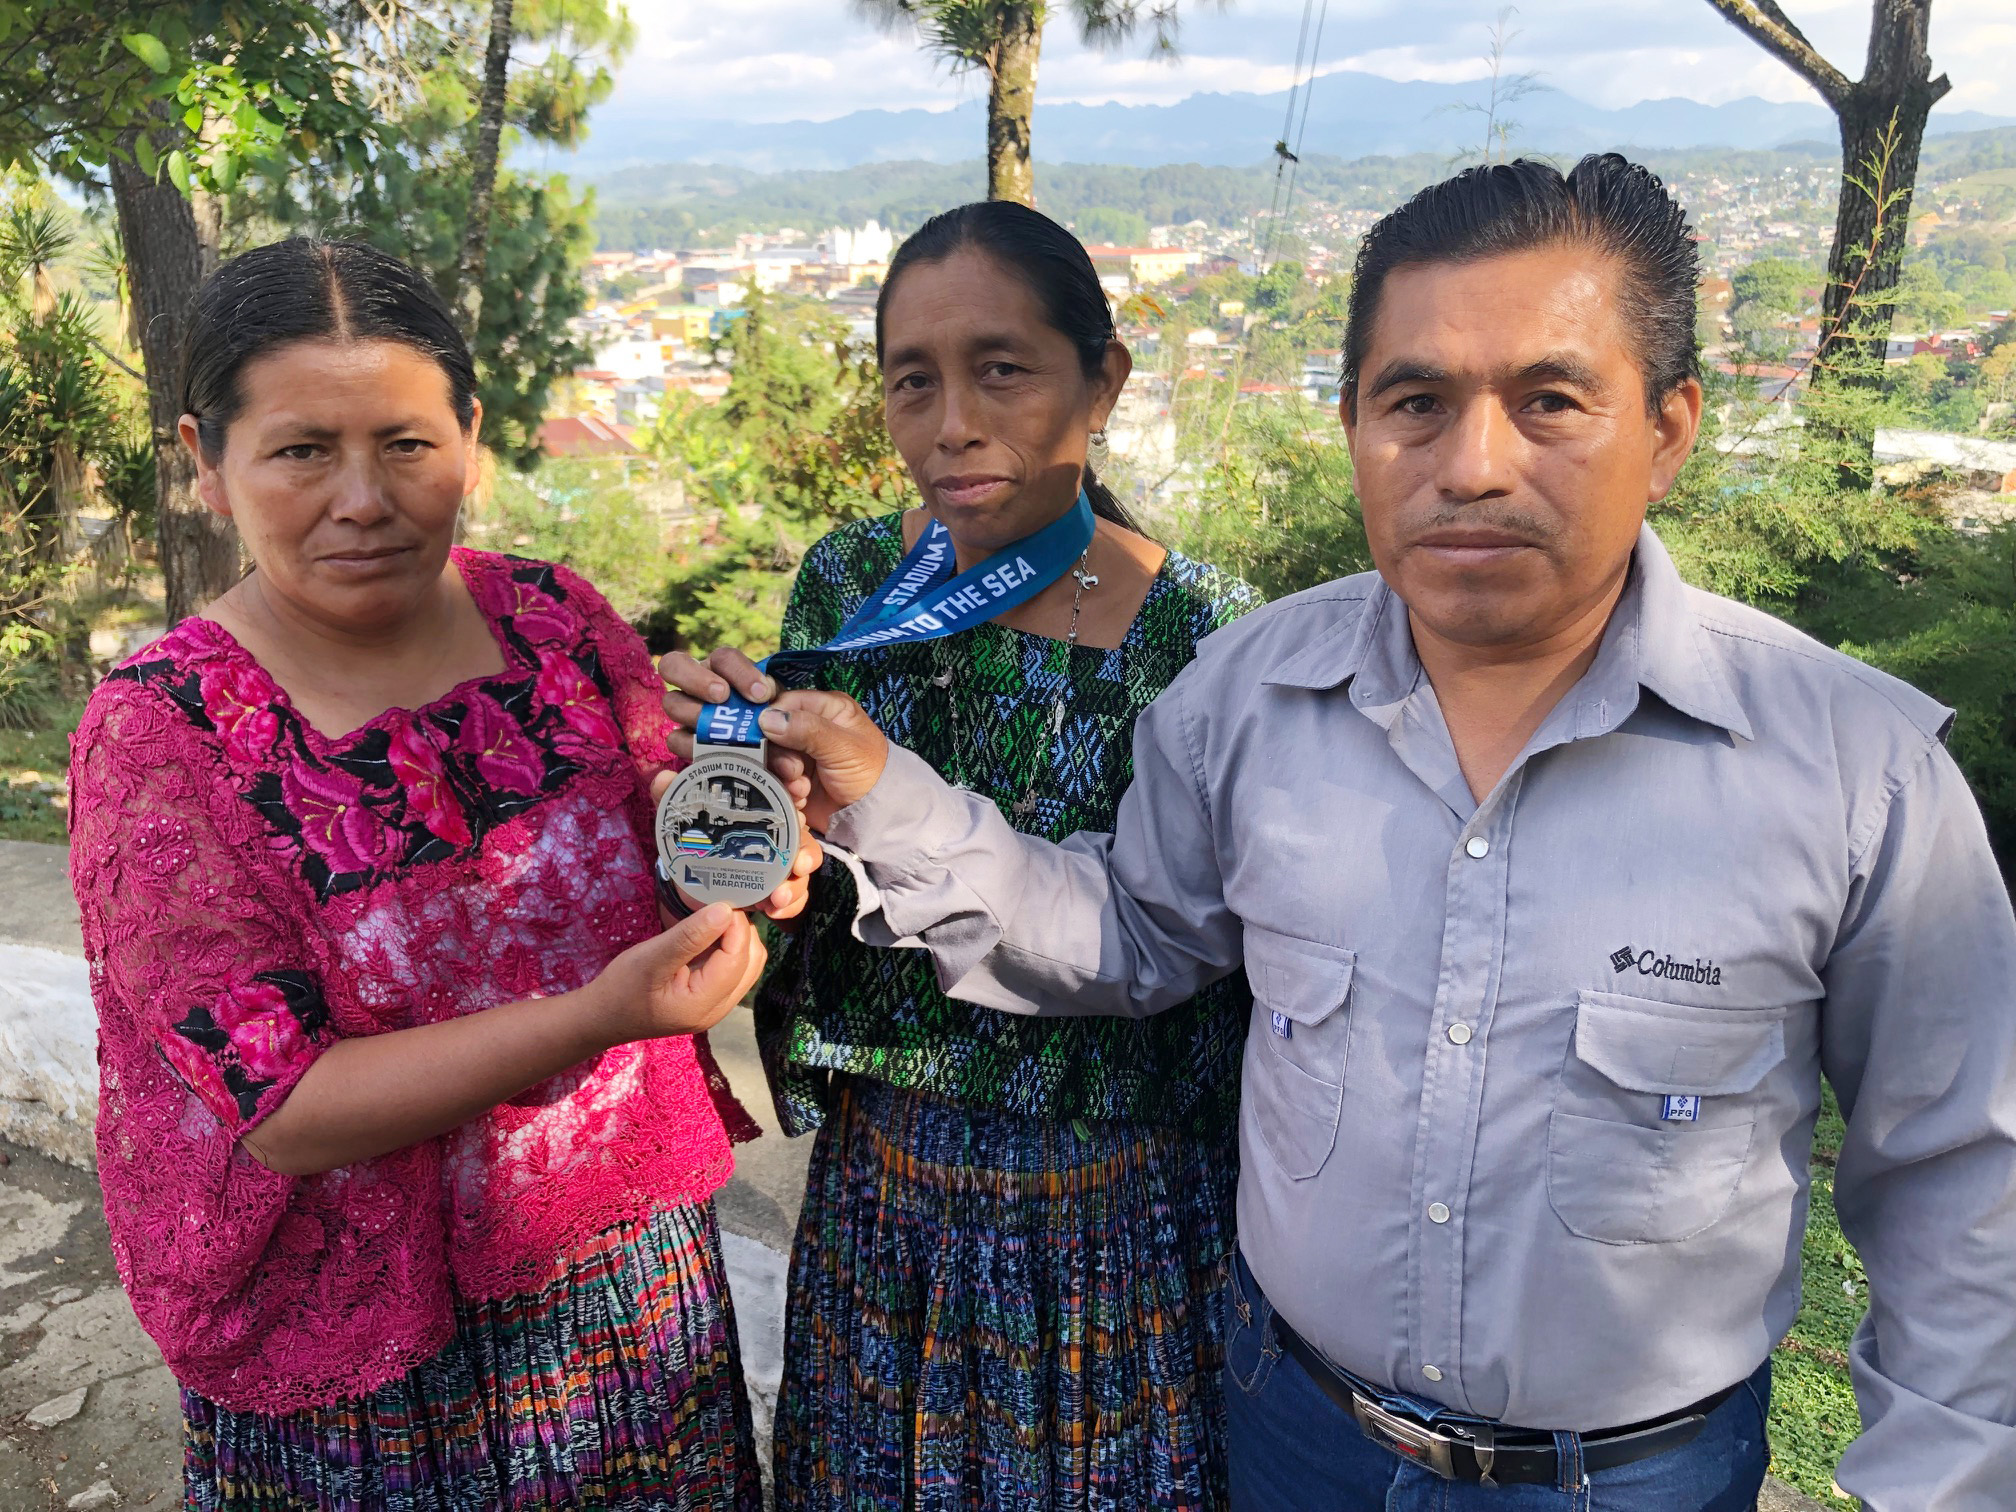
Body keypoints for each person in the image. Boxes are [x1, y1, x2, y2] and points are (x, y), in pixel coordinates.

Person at [679, 158, 2016, 1511]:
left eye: (1549, 400)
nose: (1473, 464)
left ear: (1669, 427)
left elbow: (1966, 1183)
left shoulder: (1855, 777)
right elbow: (1127, 937)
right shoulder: (1249, 701)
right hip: (1295, 1439)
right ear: (1354, 422)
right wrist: (878, 789)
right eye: (1416, 403)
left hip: (1636, 1479)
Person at [67, 238, 815, 1512]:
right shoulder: (164, 735)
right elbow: (286, 1104)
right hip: (357, 1355)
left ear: (470, 436)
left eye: (408, 444)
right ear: (205, 463)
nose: (363, 498)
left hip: (627, 1290)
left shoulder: (558, 624)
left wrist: (753, 852)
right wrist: (601, 1016)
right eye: (301, 449)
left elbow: (666, 864)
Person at [659, 200, 1261, 1511]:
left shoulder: (1207, 642)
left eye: (1003, 369)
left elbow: (1181, 947)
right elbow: (802, 875)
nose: (952, 424)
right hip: (884, 1195)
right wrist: (756, 844)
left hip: (1113, 1227)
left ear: (1102, 378)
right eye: (911, 380)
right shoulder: (854, 584)